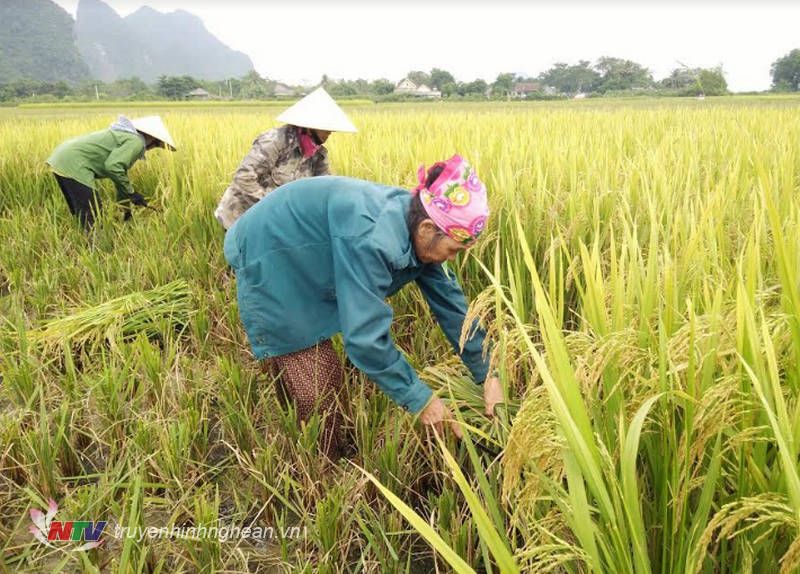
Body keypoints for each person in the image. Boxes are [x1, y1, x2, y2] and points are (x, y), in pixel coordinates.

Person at [223, 154, 504, 460]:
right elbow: (365, 338)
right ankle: (323, 471)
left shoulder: (420, 231)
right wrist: (421, 400)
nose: (453, 258)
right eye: (453, 249)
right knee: (316, 377)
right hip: (271, 249)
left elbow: (453, 308)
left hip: (311, 249)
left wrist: (489, 373)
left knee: (324, 372)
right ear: (426, 228)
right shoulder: (373, 239)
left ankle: (330, 444)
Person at [214, 87, 357, 230]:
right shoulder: (274, 142)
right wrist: (276, 207)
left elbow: (325, 187)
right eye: (326, 127)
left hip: (274, 220)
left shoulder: (318, 155)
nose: (330, 132)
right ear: (309, 126)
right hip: (241, 216)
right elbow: (244, 177)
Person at [46, 115, 176, 228]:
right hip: (73, 163)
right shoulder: (136, 142)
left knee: (82, 211)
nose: (152, 148)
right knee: (93, 213)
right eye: (156, 144)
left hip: (61, 158)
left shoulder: (125, 136)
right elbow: (113, 167)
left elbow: (119, 176)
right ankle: (95, 250)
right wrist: (132, 193)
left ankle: (85, 245)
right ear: (151, 138)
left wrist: (126, 209)